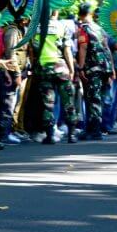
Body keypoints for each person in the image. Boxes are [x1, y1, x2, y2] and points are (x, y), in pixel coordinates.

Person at [39, 10, 78, 144]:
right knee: (68, 102)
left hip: (44, 69)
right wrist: (71, 69)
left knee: (48, 104)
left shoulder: (36, 27)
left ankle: (49, 136)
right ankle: (72, 135)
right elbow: (67, 50)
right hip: (61, 69)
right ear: (56, 12)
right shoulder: (62, 26)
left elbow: (32, 49)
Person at [76, 2, 113, 141]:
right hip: (104, 68)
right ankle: (91, 129)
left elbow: (83, 48)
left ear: (80, 14)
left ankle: (95, 130)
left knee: (92, 98)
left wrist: (80, 68)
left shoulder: (84, 29)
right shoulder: (99, 28)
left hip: (92, 68)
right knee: (97, 98)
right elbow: (107, 48)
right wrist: (112, 69)